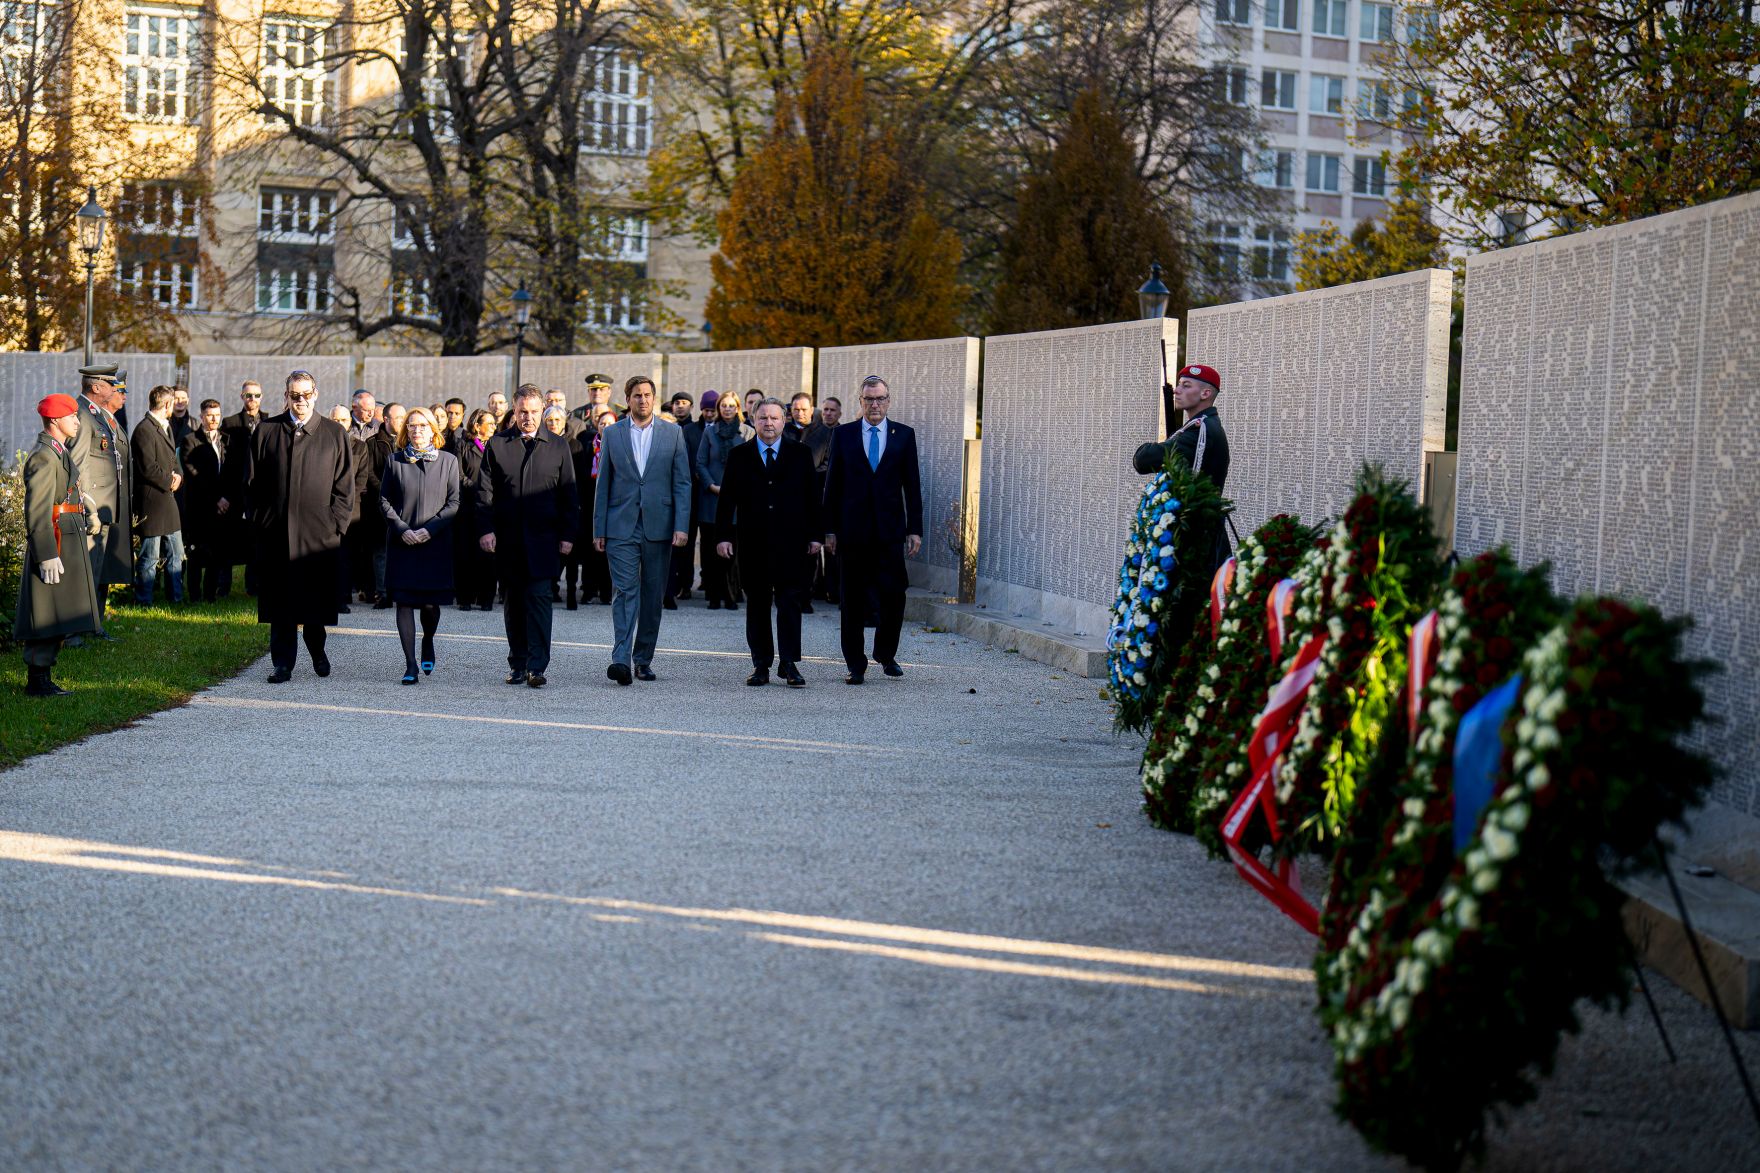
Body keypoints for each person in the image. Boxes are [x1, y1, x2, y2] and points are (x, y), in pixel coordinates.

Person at [250, 370, 355, 683]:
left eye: (306, 394)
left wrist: (335, 525)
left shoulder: (334, 433)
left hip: (318, 535)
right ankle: (282, 664)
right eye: (295, 395)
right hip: (276, 533)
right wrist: (261, 519)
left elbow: (344, 487)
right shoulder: (267, 430)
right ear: (286, 396)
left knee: (314, 605)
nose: (301, 401)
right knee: (280, 604)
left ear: (315, 394)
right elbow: (252, 482)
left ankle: (317, 649)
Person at [714, 399, 822, 688]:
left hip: (792, 542)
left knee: (790, 602)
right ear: (753, 420)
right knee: (758, 604)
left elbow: (812, 498)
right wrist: (723, 536)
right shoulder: (739, 455)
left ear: (784, 421)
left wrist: (816, 535)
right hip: (754, 543)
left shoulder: (801, 454)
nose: (769, 423)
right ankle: (760, 664)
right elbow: (727, 501)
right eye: (763, 418)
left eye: (774, 418)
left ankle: (789, 663)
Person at [476, 387, 579, 688]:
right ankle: (518, 664)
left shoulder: (558, 446)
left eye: (534, 412)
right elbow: (484, 492)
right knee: (513, 604)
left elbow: (569, 494)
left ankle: (537, 666)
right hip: (507, 541)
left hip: (544, 540)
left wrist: (568, 534)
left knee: (539, 601)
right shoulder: (498, 444)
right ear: (515, 410)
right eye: (523, 411)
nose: (528, 417)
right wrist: (485, 529)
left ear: (543, 410)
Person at [823, 375, 923, 684]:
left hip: (890, 531)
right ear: (861, 402)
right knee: (852, 599)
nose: (875, 404)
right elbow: (832, 485)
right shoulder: (844, 435)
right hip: (852, 532)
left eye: (880, 399)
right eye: (869, 399)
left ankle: (885, 653)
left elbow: (912, 486)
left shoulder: (903, 435)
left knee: (894, 594)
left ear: (888, 401)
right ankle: (856, 664)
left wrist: (915, 529)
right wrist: (829, 529)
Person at [594, 375, 691, 685]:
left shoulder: (673, 433)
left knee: (652, 595)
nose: (643, 399)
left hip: (659, 526)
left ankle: (643, 659)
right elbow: (603, 483)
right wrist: (598, 528)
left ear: (654, 398)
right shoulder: (612, 434)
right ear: (628, 399)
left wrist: (681, 525)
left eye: (648, 394)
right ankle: (621, 659)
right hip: (620, 525)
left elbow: (682, 482)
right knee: (625, 591)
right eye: (637, 395)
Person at [15, 394, 102, 696]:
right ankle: (37, 679)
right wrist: (46, 554)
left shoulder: (57, 451)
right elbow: (37, 510)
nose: (77, 421)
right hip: (54, 540)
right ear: (54, 420)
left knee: (58, 609)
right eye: (71, 416)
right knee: (46, 611)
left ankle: (44, 676)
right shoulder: (44, 455)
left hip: (66, 535)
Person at [379, 407, 460, 685]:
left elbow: (454, 502)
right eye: (412, 426)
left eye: (423, 425)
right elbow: (384, 501)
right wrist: (402, 529)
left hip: (434, 543)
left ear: (433, 430)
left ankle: (428, 639)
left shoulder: (449, 461)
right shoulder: (394, 461)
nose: (417, 430)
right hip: (402, 542)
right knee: (403, 602)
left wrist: (430, 530)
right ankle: (410, 664)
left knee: (429, 604)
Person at [67, 364, 131, 630]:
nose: (114, 389)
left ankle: (92, 626)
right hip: (91, 509)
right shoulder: (83, 415)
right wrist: (87, 506)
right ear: (96, 387)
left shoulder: (97, 415)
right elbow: (78, 465)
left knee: (95, 571)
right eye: (109, 384)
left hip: (105, 508)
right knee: (85, 573)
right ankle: (76, 630)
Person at [695, 390, 752, 612]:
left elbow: (752, 464)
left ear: (738, 408)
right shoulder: (710, 432)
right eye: (723, 405)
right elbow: (700, 463)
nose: (727, 409)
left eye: (731, 405)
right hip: (712, 498)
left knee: (733, 552)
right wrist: (711, 485)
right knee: (711, 551)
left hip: (738, 501)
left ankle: (731, 594)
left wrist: (737, 489)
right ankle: (713, 595)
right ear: (718, 408)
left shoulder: (747, 432)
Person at [1132, 363, 1230, 490]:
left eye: (1186, 385)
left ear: (1205, 394)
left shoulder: (1201, 430)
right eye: (1179, 384)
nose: (1176, 390)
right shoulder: (1206, 424)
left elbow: (1142, 460)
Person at [129, 384, 186, 604]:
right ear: (167, 404)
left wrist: (178, 476)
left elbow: (173, 459)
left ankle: (176, 599)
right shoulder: (144, 429)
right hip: (152, 502)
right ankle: (143, 600)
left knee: (176, 553)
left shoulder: (166, 426)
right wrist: (170, 481)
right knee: (150, 556)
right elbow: (147, 467)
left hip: (168, 501)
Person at [180, 398, 234, 601]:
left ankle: (210, 595)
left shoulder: (226, 440)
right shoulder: (190, 440)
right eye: (210, 415)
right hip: (200, 506)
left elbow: (231, 472)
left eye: (217, 415)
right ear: (201, 417)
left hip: (222, 507)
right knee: (196, 553)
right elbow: (194, 474)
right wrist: (216, 499)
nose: (214, 419)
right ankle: (195, 595)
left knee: (217, 552)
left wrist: (226, 498)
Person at [219, 380, 268, 594]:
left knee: (256, 539)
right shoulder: (229, 423)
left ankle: (253, 585)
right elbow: (224, 460)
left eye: (256, 395)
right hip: (235, 490)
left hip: (259, 492)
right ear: (242, 397)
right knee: (228, 539)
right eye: (248, 395)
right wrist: (224, 494)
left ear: (261, 397)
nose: (252, 399)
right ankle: (224, 586)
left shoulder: (269, 422)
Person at [452, 408, 498, 611]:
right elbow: (458, 474)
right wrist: (477, 488)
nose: (494, 427)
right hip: (467, 507)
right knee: (466, 553)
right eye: (490, 423)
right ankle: (465, 598)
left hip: (488, 507)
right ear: (477, 426)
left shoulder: (496, 445)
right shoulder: (463, 444)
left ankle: (486, 597)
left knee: (488, 554)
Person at [329, 404, 372, 613]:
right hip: (323, 508)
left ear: (350, 422)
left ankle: (342, 597)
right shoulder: (321, 443)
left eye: (343, 420)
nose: (339, 424)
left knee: (345, 557)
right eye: (335, 420)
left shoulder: (360, 447)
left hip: (350, 511)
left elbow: (361, 480)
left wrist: (342, 502)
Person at [575, 408, 618, 606]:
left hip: (612, 505)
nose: (605, 427)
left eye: (609, 423)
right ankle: (589, 589)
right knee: (589, 548)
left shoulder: (621, 447)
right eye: (602, 423)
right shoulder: (587, 447)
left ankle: (606, 591)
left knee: (609, 550)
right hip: (590, 504)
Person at [366, 403, 405, 607]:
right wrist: (385, 490)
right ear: (386, 419)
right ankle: (383, 593)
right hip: (380, 505)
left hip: (405, 505)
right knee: (381, 551)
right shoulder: (373, 443)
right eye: (398, 418)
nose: (402, 421)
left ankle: (402, 592)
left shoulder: (408, 443)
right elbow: (369, 472)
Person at [668, 391, 702, 602]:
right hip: (667, 496)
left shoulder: (695, 430)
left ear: (691, 406)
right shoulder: (667, 428)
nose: (680, 406)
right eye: (676, 403)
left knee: (686, 543)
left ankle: (685, 584)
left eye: (684, 403)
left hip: (690, 494)